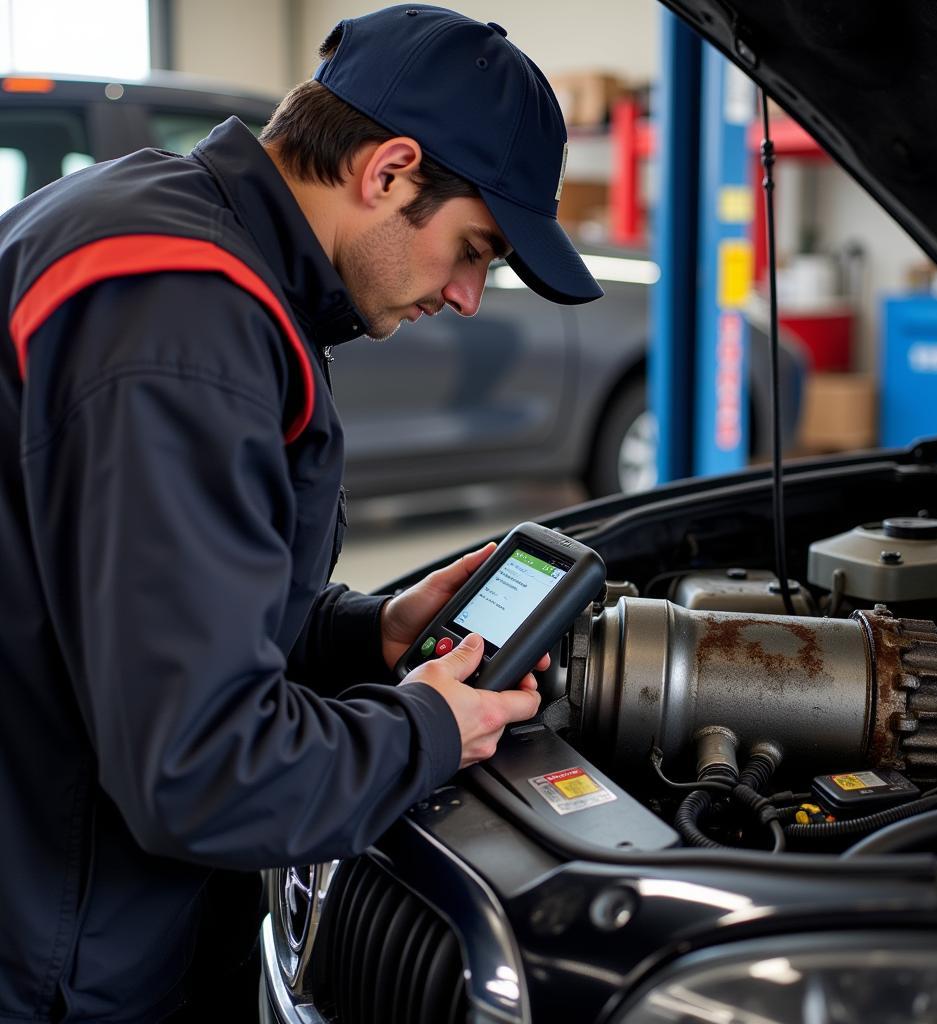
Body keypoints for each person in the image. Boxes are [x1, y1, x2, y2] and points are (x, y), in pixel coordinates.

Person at [0, 5, 602, 1022]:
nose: (465, 296)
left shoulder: (157, 221)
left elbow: (127, 606)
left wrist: (367, 630)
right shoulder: (182, 317)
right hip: (54, 951)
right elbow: (202, 769)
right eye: (475, 249)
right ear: (389, 170)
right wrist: (426, 729)